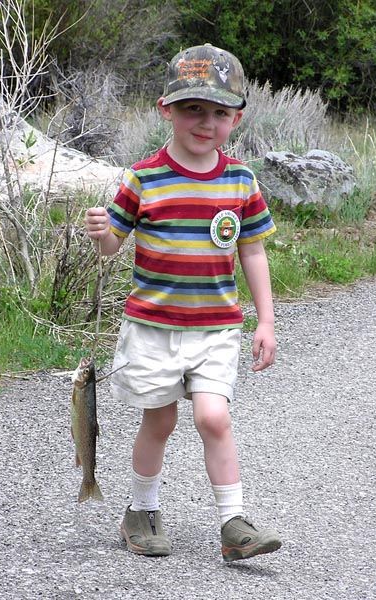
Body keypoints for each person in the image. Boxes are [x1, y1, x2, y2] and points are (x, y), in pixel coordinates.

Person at [85, 43, 281, 562]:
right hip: (153, 326)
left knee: (214, 417)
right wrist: (102, 232)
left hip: (217, 327)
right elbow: (112, 247)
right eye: (194, 108)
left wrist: (265, 319)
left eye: (219, 112)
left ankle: (233, 522)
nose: (206, 122)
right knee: (160, 421)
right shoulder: (143, 178)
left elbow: (253, 250)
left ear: (236, 119)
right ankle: (141, 511)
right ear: (165, 109)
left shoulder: (241, 180)